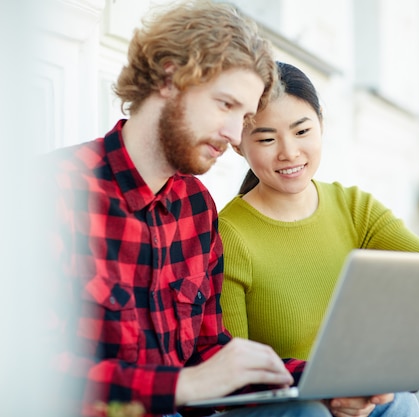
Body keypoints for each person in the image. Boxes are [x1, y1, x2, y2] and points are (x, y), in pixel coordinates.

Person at [44, 3, 335, 417]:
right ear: (169, 77)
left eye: (245, 117)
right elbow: (31, 372)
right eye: (226, 105)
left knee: (358, 405)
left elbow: (208, 352)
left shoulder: (196, 206)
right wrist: (183, 385)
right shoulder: (53, 192)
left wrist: (324, 381)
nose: (236, 136)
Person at [218, 61, 419, 416]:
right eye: (267, 139)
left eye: (302, 132)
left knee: (402, 403)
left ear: (321, 127)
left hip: (356, 392)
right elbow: (234, 377)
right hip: (280, 404)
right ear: (239, 144)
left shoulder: (354, 208)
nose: (289, 152)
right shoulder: (228, 234)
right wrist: (329, 399)